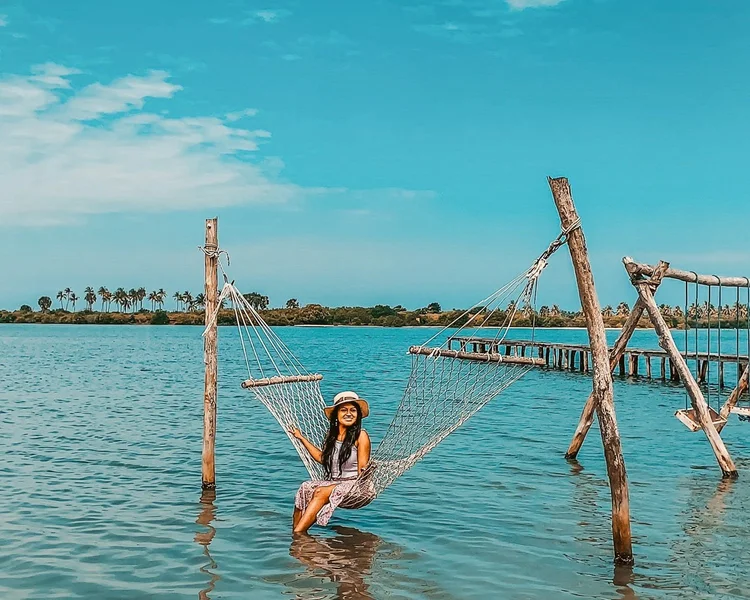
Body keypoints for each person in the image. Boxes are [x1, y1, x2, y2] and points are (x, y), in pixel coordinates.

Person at [290, 391, 372, 534]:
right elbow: (322, 458)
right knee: (305, 487)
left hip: (355, 485)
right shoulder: (331, 436)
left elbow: (362, 468)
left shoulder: (361, 435)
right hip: (334, 482)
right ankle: (295, 530)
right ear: (336, 415)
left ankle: (298, 535)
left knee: (321, 492)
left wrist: (367, 472)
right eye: (343, 410)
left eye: (353, 410)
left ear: (358, 415)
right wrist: (301, 438)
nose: (348, 413)